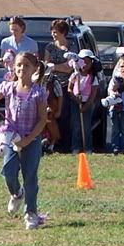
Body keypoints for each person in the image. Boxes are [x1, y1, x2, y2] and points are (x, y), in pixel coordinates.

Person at [0, 52, 48, 229]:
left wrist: (28, 140)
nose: (21, 68)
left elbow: (42, 119)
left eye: (26, 65)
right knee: (9, 171)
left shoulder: (39, 93)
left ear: (35, 68)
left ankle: (31, 213)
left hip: (30, 140)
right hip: (11, 137)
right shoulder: (7, 87)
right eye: (19, 65)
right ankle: (16, 193)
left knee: (30, 177)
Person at [44, 19, 78, 152]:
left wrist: (54, 66)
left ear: (63, 32)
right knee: (50, 115)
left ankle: (64, 145)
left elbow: (69, 68)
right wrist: (54, 67)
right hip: (51, 86)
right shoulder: (50, 47)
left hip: (66, 85)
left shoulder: (71, 47)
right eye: (52, 32)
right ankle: (52, 143)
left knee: (64, 116)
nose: (53, 34)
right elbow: (46, 66)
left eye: (56, 32)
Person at [67, 49, 99, 154]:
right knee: (76, 126)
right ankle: (75, 147)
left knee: (86, 126)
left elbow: (93, 95)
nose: (85, 65)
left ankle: (88, 147)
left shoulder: (93, 78)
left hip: (86, 104)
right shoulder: (75, 75)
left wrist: (86, 106)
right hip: (75, 102)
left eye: (88, 62)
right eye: (83, 62)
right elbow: (69, 89)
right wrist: (75, 98)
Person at [107, 56, 124, 154]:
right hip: (114, 107)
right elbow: (110, 90)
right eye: (122, 66)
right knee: (115, 128)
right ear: (119, 67)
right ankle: (115, 146)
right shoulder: (114, 78)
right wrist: (114, 89)